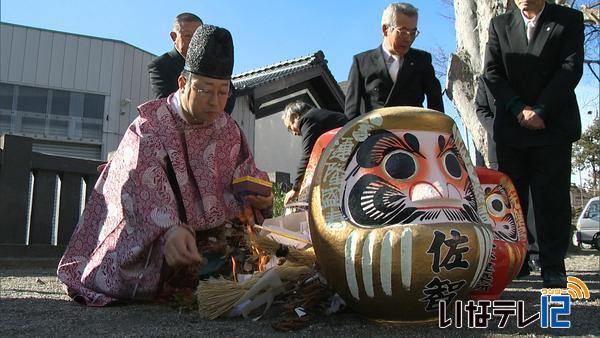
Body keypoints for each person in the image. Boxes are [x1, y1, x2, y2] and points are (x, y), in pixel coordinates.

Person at [57, 25, 273, 306]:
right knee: (186, 271)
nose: (215, 102)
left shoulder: (229, 129)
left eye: (223, 92)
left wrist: (262, 193)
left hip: (210, 235)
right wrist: (170, 229)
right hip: (152, 237)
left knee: (257, 257)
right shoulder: (149, 128)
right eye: (205, 90)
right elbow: (139, 183)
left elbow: (246, 174)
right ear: (183, 83)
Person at [483, 0, 584, 288]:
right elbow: (492, 72)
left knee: (551, 199)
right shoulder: (500, 25)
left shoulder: (569, 19)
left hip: (551, 124)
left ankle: (553, 265)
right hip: (512, 127)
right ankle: (517, 261)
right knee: (511, 200)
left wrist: (541, 110)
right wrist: (518, 108)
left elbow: (570, 68)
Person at [344, 2, 444, 121]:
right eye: (402, 32)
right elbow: (351, 114)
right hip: (377, 135)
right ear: (385, 29)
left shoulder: (422, 60)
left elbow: (436, 105)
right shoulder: (361, 62)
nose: (409, 38)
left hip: (414, 133)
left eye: (413, 33)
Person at [147, 13, 236, 113]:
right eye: (188, 36)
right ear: (173, 37)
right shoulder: (161, 65)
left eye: (198, 37)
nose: (194, 41)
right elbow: (167, 103)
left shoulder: (213, 62)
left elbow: (229, 97)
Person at [281, 101, 348, 205]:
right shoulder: (317, 116)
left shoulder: (308, 119)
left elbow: (307, 156)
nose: (294, 133)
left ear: (295, 117)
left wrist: (295, 189)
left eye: (290, 128)